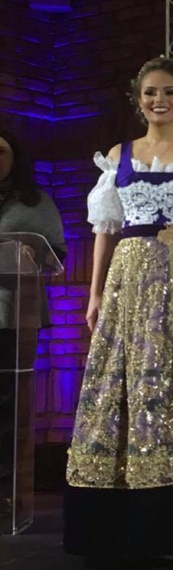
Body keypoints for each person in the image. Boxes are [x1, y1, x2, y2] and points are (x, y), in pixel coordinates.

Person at [63, 56, 173, 566]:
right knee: (129, 381)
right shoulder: (120, 154)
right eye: (149, 94)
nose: (158, 101)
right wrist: (95, 293)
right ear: (138, 100)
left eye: (167, 92)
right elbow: (104, 230)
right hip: (129, 281)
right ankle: (121, 516)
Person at [0, 129, 66, 515]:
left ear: (15, 157)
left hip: (14, 316)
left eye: (2, 151)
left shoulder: (36, 202)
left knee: (9, 408)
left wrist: (30, 253)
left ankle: (7, 493)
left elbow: (56, 253)